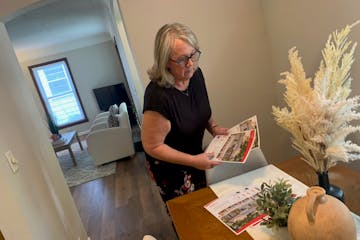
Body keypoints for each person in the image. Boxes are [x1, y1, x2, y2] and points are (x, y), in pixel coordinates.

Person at [141, 22, 228, 202]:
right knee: (189, 216)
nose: (190, 64)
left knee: (208, 203)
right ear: (165, 62)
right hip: (171, 169)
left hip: (196, 156)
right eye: (181, 59)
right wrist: (193, 161)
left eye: (193, 55)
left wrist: (214, 127)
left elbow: (199, 109)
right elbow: (152, 146)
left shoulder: (195, 75)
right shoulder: (157, 96)